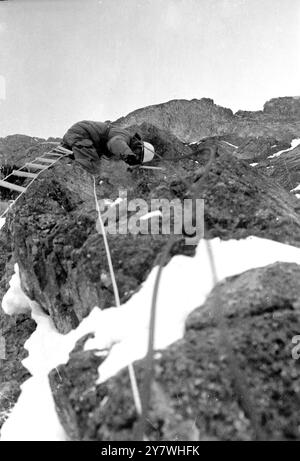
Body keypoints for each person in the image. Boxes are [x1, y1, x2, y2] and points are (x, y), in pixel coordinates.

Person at [62, 120, 155, 173]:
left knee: (67, 158)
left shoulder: (127, 140)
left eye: (138, 158)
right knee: (91, 166)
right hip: (82, 134)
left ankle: (61, 165)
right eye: (138, 154)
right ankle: (66, 172)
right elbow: (115, 143)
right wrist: (129, 157)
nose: (136, 156)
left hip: (79, 135)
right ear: (139, 146)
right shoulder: (125, 137)